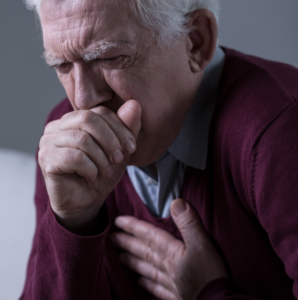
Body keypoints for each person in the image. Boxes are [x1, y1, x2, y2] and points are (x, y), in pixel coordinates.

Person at [20, 0, 298, 299]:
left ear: (195, 42)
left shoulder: (281, 129)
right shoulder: (67, 145)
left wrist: (209, 293)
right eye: (61, 65)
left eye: (109, 57)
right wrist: (71, 224)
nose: (83, 100)